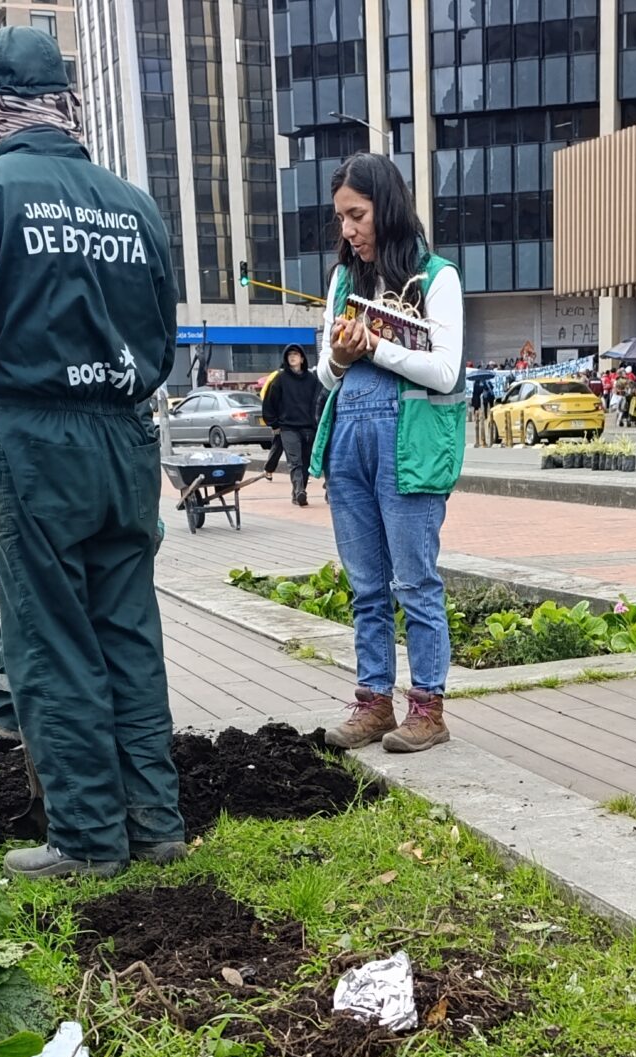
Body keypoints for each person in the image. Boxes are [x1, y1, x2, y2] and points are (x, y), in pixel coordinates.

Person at [0, 22, 184, 879]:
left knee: (51, 640)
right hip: (125, 439)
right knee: (128, 631)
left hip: (34, 443)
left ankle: (89, 841)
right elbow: (162, 335)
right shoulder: (132, 205)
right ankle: (157, 823)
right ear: (66, 100)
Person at [313, 151, 466, 755]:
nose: (348, 230)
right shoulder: (343, 281)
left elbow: (447, 371)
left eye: (358, 215)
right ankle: (373, 701)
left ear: (388, 208)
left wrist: (373, 347)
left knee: (415, 582)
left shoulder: (436, 277)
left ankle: (427, 708)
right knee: (366, 585)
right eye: (342, 219)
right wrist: (342, 357)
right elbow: (327, 376)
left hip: (411, 443)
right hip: (350, 440)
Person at [259, 342, 321, 503]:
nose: (292, 357)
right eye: (289, 355)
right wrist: (274, 424)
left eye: (295, 354)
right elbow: (269, 402)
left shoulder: (312, 380)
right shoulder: (280, 379)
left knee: (306, 462)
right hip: (288, 428)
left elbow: (318, 401)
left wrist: (317, 422)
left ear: (302, 358)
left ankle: (298, 492)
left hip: (309, 428)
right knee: (295, 462)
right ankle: (300, 490)